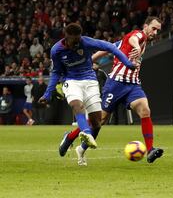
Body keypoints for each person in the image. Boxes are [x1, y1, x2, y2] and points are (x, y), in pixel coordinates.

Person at [58, 17, 164, 164]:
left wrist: (90, 61)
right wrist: (137, 47)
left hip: (132, 85)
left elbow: (107, 49)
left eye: (158, 30)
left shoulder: (129, 41)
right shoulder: (138, 35)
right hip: (115, 84)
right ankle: (70, 138)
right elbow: (135, 38)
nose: (155, 32)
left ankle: (151, 149)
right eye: (153, 28)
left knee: (145, 110)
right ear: (145, 26)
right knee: (98, 122)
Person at [39, 23, 135, 166]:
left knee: (96, 124)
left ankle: (73, 141)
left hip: (90, 81)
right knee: (77, 105)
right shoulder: (56, 50)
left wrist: (127, 63)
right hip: (71, 81)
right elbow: (56, 72)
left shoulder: (85, 41)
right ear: (66, 37)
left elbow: (110, 47)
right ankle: (85, 132)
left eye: (79, 40)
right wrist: (47, 94)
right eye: (74, 41)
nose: (77, 44)